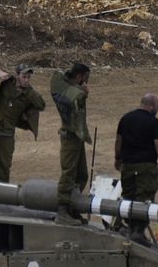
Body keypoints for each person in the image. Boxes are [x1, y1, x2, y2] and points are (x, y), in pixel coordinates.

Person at [0, 63, 45, 183]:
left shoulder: (29, 93)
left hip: (7, 129)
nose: (26, 80)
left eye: (28, 77)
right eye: (24, 77)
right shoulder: (7, 81)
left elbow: (41, 105)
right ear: (17, 75)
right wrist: (0, 72)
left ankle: (0, 192)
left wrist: (30, 93)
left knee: (3, 164)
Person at [114, 93, 158, 242]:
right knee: (144, 198)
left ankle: (128, 228)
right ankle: (138, 232)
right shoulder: (154, 122)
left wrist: (117, 159)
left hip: (127, 166)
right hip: (146, 166)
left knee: (128, 196)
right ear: (151, 106)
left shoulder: (125, 119)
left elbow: (118, 142)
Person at [50, 63, 92, 225]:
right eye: (85, 79)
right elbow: (74, 97)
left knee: (82, 175)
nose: (86, 83)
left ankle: (72, 208)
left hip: (77, 136)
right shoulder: (72, 94)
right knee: (68, 174)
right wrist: (83, 91)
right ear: (80, 77)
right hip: (70, 136)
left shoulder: (62, 83)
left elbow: (61, 75)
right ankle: (62, 211)